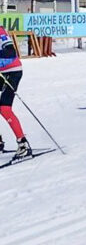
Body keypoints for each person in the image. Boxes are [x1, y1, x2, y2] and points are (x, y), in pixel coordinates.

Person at [0, 25, 32, 160]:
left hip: (13, 72)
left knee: (4, 109)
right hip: (2, 73)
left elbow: (11, 53)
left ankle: (23, 143)